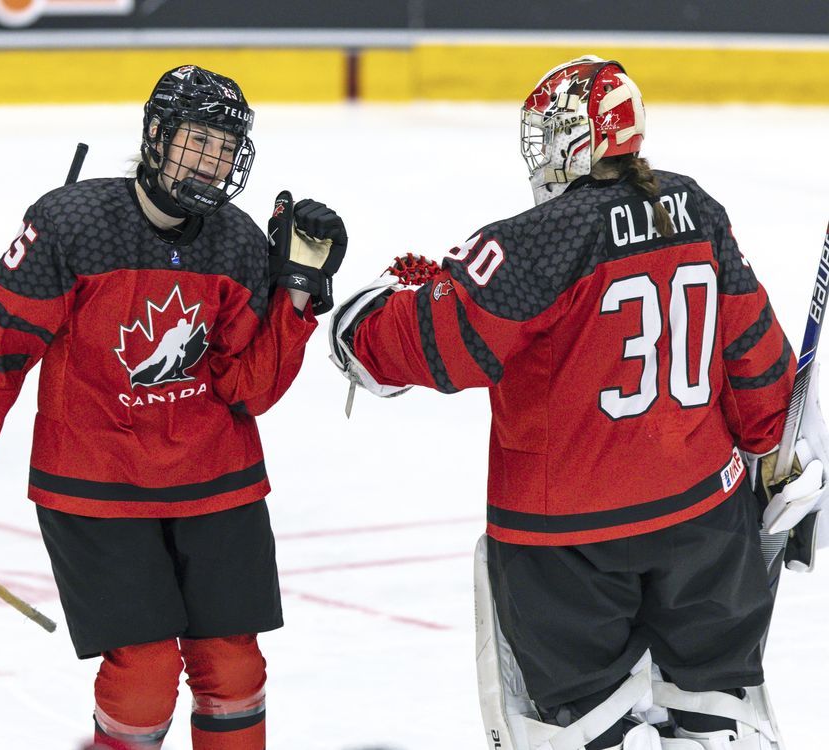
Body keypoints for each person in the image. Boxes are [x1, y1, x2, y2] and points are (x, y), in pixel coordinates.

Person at [329, 56, 826, 749]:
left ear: (578, 138)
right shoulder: (696, 208)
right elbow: (754, 352)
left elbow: (444, 346)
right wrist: (784, 460)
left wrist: (363, 326)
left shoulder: (538, 238)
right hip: (705, 525)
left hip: (567, 543)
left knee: (578, 726)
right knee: (717, 718)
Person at [0, 65, 346, 750]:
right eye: (198, 141)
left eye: (225, 148)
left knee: (233, 667)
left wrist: (296, 292)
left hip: (215, 481)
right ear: (156, 135)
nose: (212, 162)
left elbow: (250, 389)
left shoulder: (236, 243)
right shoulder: (73, 226)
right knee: (142, 675)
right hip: (95, 484)